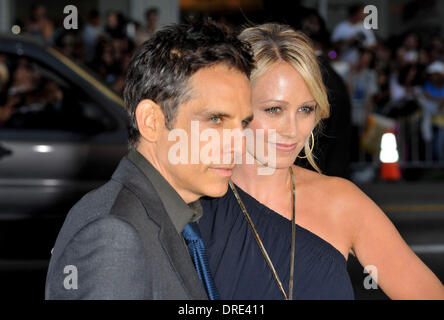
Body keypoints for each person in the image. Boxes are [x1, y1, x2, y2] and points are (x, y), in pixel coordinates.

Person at [199, 23, 444, 300]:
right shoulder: (193, 203)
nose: (292, 129)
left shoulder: (342, 202)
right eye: (274, 109)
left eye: (305, 109)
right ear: (235, 105)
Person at [45, 20, 254, 299]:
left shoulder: (177, 214)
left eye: (243, 124)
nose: (238, 143)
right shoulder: (114, 237)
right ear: (151, 121)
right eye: (215, 120)